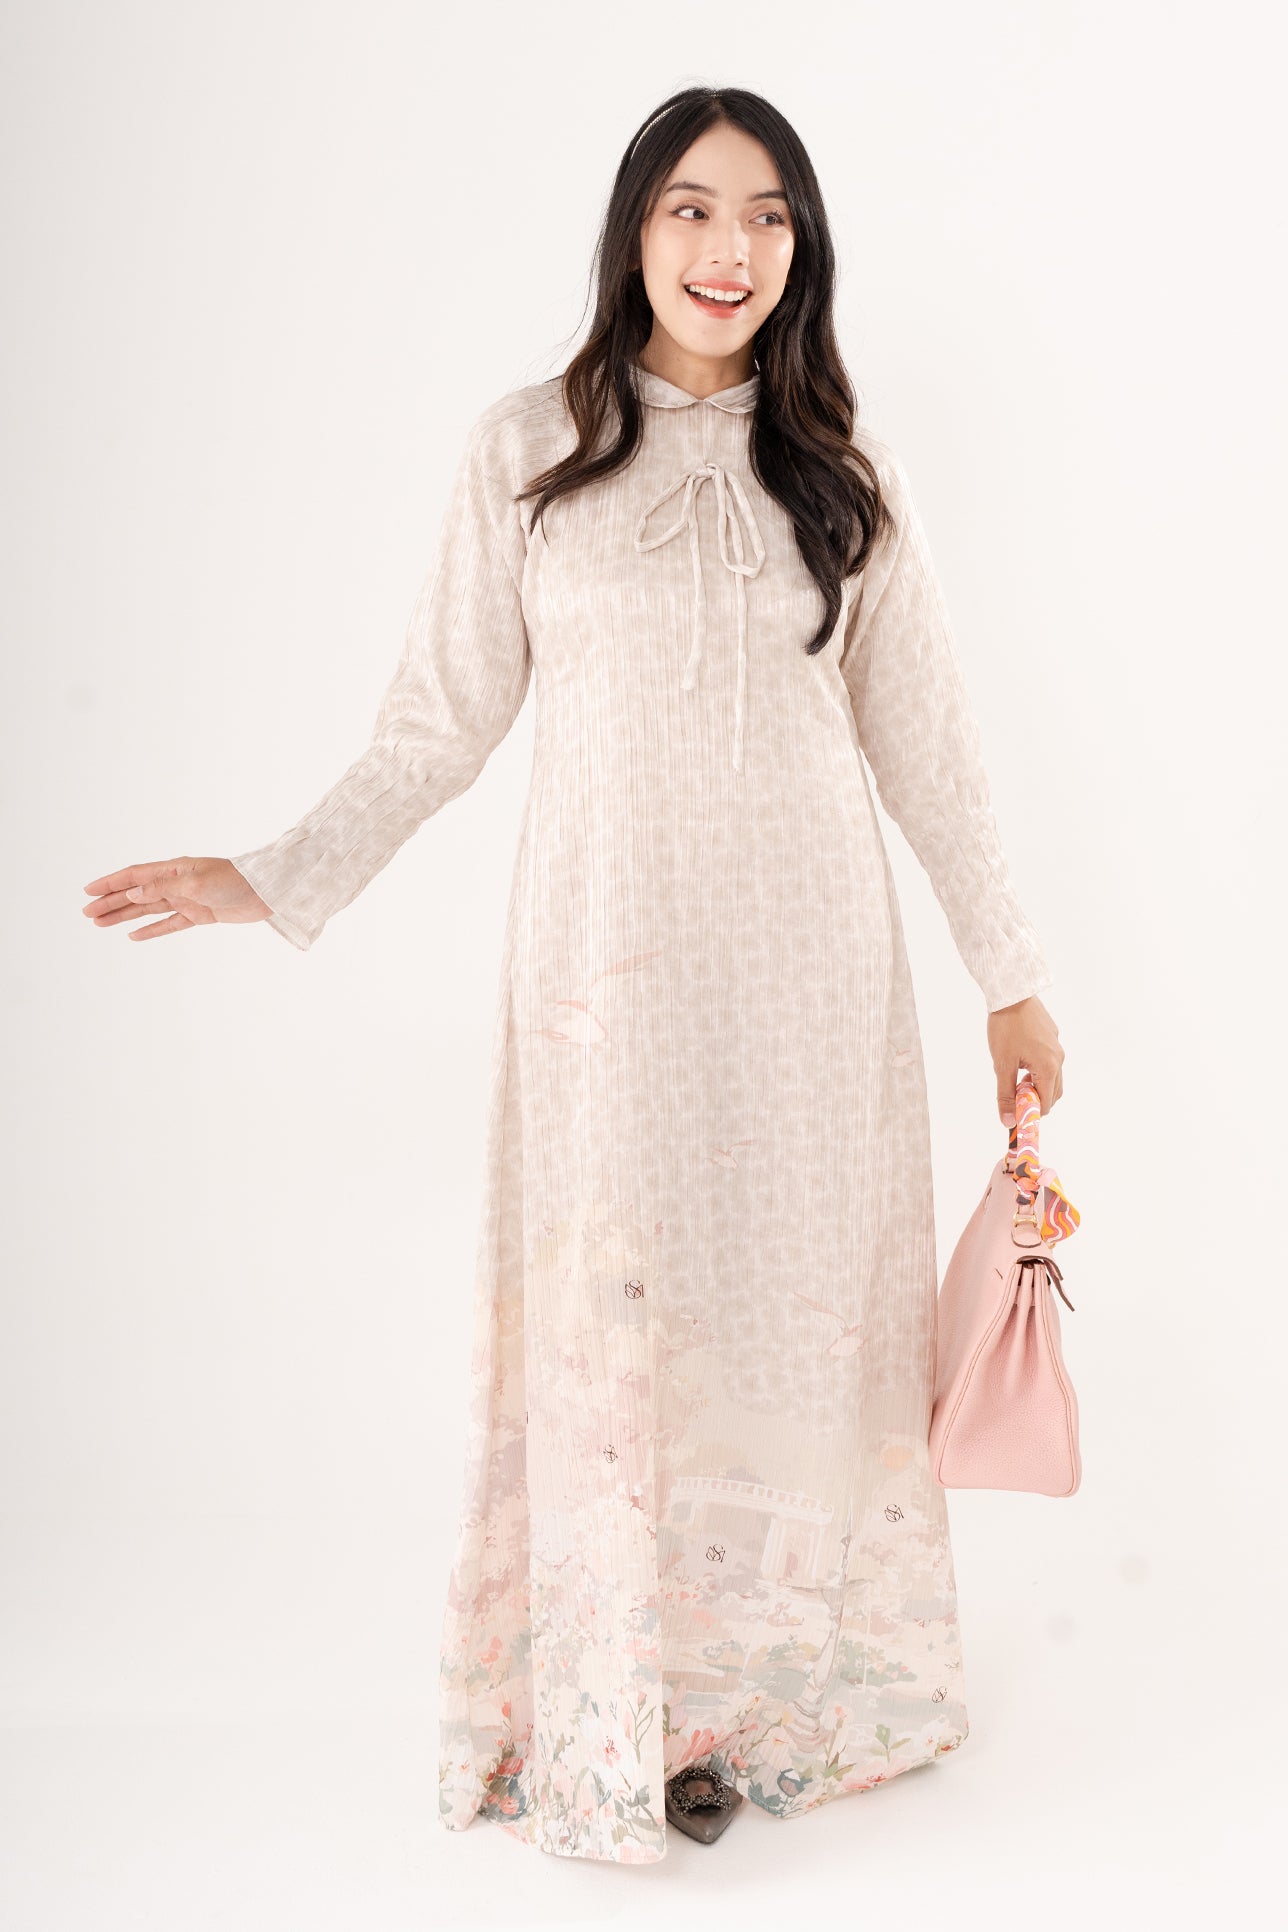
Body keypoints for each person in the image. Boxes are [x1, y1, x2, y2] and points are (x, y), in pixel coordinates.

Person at [83, 85, 1065, 1864]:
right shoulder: (530, 452)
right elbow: (435, 723)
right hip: (605, 987)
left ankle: (771, 1710)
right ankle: (617, 1703)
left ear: (802, 249)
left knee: (800, 1330)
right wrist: (276, 875)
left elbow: (934, 746)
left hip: (812, 986)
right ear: (634, 230)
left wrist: (1011, 972)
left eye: (767, 217)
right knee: (624, 1325)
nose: (729, 250)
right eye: (693, 209)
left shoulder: (846, 475)